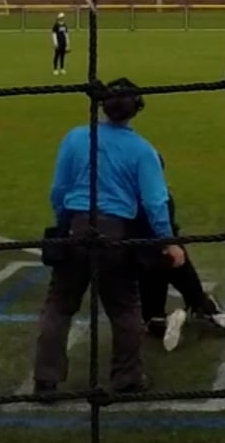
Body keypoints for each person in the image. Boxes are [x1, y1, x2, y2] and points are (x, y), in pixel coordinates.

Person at [32, 78, 178, 395]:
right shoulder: (142, 150)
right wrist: (168, 240)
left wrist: (65, 223)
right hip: (116, 234)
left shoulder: (75, 138)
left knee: (59, 305)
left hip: (76, 227)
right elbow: (155, 201)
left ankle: (46, 378)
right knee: (124, 308)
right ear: (136, 110)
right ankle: (127, 378)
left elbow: (59, 190)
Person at [139, 152, 225, 352]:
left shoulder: (129, 197)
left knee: (151, 314)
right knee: (194, 292)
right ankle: (211, 311)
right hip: (172, 249)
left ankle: (164, 322)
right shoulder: (164, 196)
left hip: (148, 257)